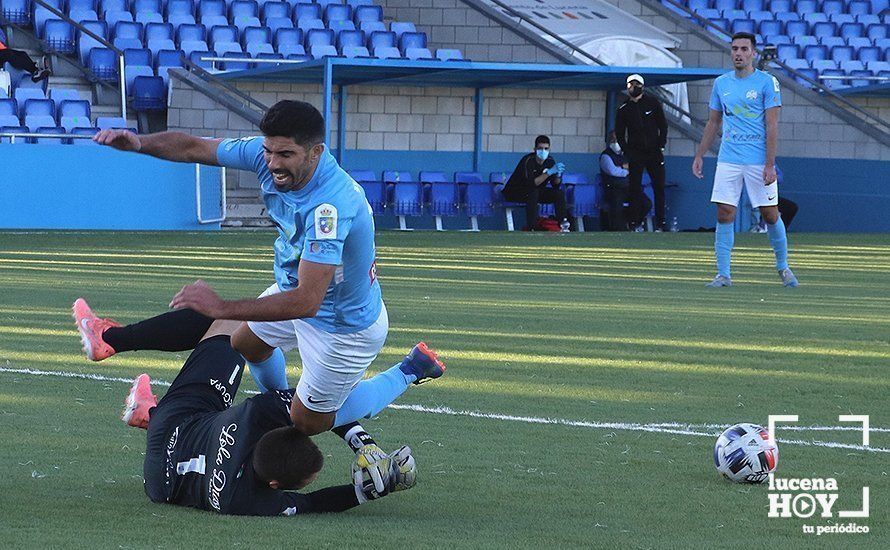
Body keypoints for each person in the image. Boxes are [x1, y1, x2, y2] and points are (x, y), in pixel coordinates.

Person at [91, 100, 413, 437]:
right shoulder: (266, 156)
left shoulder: (331, 207)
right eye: (269, 151)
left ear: (316, 152)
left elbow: (307, 302)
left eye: (285, 154)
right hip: (297, 292)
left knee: (306, 423)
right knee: (245, 342)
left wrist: (222, 308)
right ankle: (281, 402)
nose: (273, 163)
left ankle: (407, 371)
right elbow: (194, 147)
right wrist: (141, 143)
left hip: (343, 326)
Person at [99, 315, 418, 516]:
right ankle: (146, 411)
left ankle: (118, 346)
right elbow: (313, 504)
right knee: (236, 327)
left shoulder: (259, 413)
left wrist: (364, 445)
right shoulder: (240, 503)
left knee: (229, 322)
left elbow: (319, 410)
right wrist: (373, 490)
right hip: (160, 486)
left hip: (179, 422)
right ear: (275, 484)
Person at [73, 298, 445, 447]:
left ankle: (111, 340)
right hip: (181, 433)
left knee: (235, 324)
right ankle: (410, 370)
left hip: (187, 423)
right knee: (307, 406)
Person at [692, 32, 798, 288]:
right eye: (734, 49)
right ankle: (723, 274)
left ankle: (783, 267)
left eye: (743, 49)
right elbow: (713, 121)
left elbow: (772, 125)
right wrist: (699, 154)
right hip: (728, 158)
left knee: (770, 214)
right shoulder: (721, 83)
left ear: (753, 53)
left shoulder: (767, 83)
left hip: (758, 160)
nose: (738, 53)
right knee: (724, 212)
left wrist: (770, 164)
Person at [614, 74, 668, 231]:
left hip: (654, 153)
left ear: (642, 86)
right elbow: (620, 132)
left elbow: (662, 126)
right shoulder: (624, 109)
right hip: (635, 154)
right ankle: (634, 222)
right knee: (635, 188)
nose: (633, 87)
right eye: (630, 84)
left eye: (636, 84)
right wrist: (627, 151)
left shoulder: (652, 103)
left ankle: (661, 223)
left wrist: (661, 145)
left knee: (659, 187)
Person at [502, 135, 571, 232]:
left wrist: (558, 175)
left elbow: (555, 184)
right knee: (533, 192)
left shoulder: (550, 161)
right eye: (540, 148)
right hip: (516, 191)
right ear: (535, 149)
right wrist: (548, 173)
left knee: (558, 193)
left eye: (546, 148)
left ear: (549, 149)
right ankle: (532, 227)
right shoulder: (528, 161)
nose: (543, 151)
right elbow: (531, 183)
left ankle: (563, 224)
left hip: (536, 191)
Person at [599, 131, 630, 231]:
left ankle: (634, 224)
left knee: (646, 203)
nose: (615, 142)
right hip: (613, 188)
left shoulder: (627, 154)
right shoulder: (606, 156)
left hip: (628, 186)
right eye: (613, 140)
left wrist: (625, 168)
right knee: (617, 203)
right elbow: (613, 171)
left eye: (618, 139)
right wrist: (625, 168)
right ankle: (618, 229)